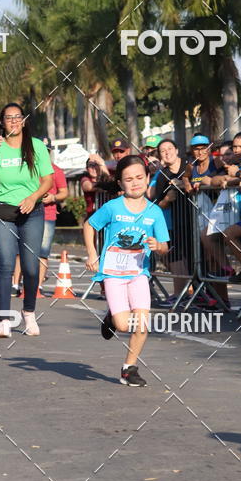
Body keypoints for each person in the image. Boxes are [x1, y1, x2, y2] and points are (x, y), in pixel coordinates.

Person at [84, 155, 169, 387]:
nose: (135, 183)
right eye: (129, 179)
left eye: (140, 178)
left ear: (148, 179)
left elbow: (164, 247)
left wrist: (157, 246)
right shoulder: (112, 207)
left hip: (139, 273)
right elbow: (89, 225)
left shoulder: (155, 212)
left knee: (142, 322)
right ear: (120, 183)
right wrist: (92, 254)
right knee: (123, 325)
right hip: (112, 273)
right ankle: (113, 316)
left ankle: (129, 368)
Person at [0, 102, 53, 338]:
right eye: (8, 118)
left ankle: (29, 312)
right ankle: (3, 320)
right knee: (6, 264)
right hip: (3, 211)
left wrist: (33, 198)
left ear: (24, 120)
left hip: (32, 210)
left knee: (31, 267)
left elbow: (48, 181)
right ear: (2, 122)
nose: (13, 121)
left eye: (17, 117)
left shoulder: (36, 146)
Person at [207, 131, 241, 282]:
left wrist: (240, 178)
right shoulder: (235, 166)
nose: (236, 150)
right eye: (234, 147)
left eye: (240, 146)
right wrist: (228, 179)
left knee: (229, 234)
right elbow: (213, 180)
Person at [147, 138, 190, 295]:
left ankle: (197, 294)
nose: (167, 152)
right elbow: (158, 203)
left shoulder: (190, 165)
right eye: (163, 151)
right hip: (176, 223)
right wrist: (167, 199)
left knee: (198, 260)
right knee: (175, 257)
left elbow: (201, 180)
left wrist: (184, 184)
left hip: (196, 220)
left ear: (177, 150)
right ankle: (182, 294)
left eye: (169, 148)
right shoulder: (161, 175)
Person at [39, 137, 68, 290]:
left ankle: (38, 285)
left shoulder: (56, 171)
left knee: (43, 252)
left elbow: (64, 192)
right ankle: (20, 284)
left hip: (48, 215)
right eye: (41, 150)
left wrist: (53, 197)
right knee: (25, 251)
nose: (44, 152)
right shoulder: (29, 169)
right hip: (27, 214)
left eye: (47, 150)